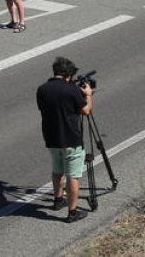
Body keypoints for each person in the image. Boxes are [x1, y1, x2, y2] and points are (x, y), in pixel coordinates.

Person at [35, 56, 93, 223]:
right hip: (71, 139)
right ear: (68, 74)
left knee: (57, 170)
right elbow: (86, 111)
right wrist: (88, 95)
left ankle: (58, 200)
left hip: (51, 138)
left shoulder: (42, 89)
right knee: (73, 176)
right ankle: (72, 212)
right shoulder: (71, 90)